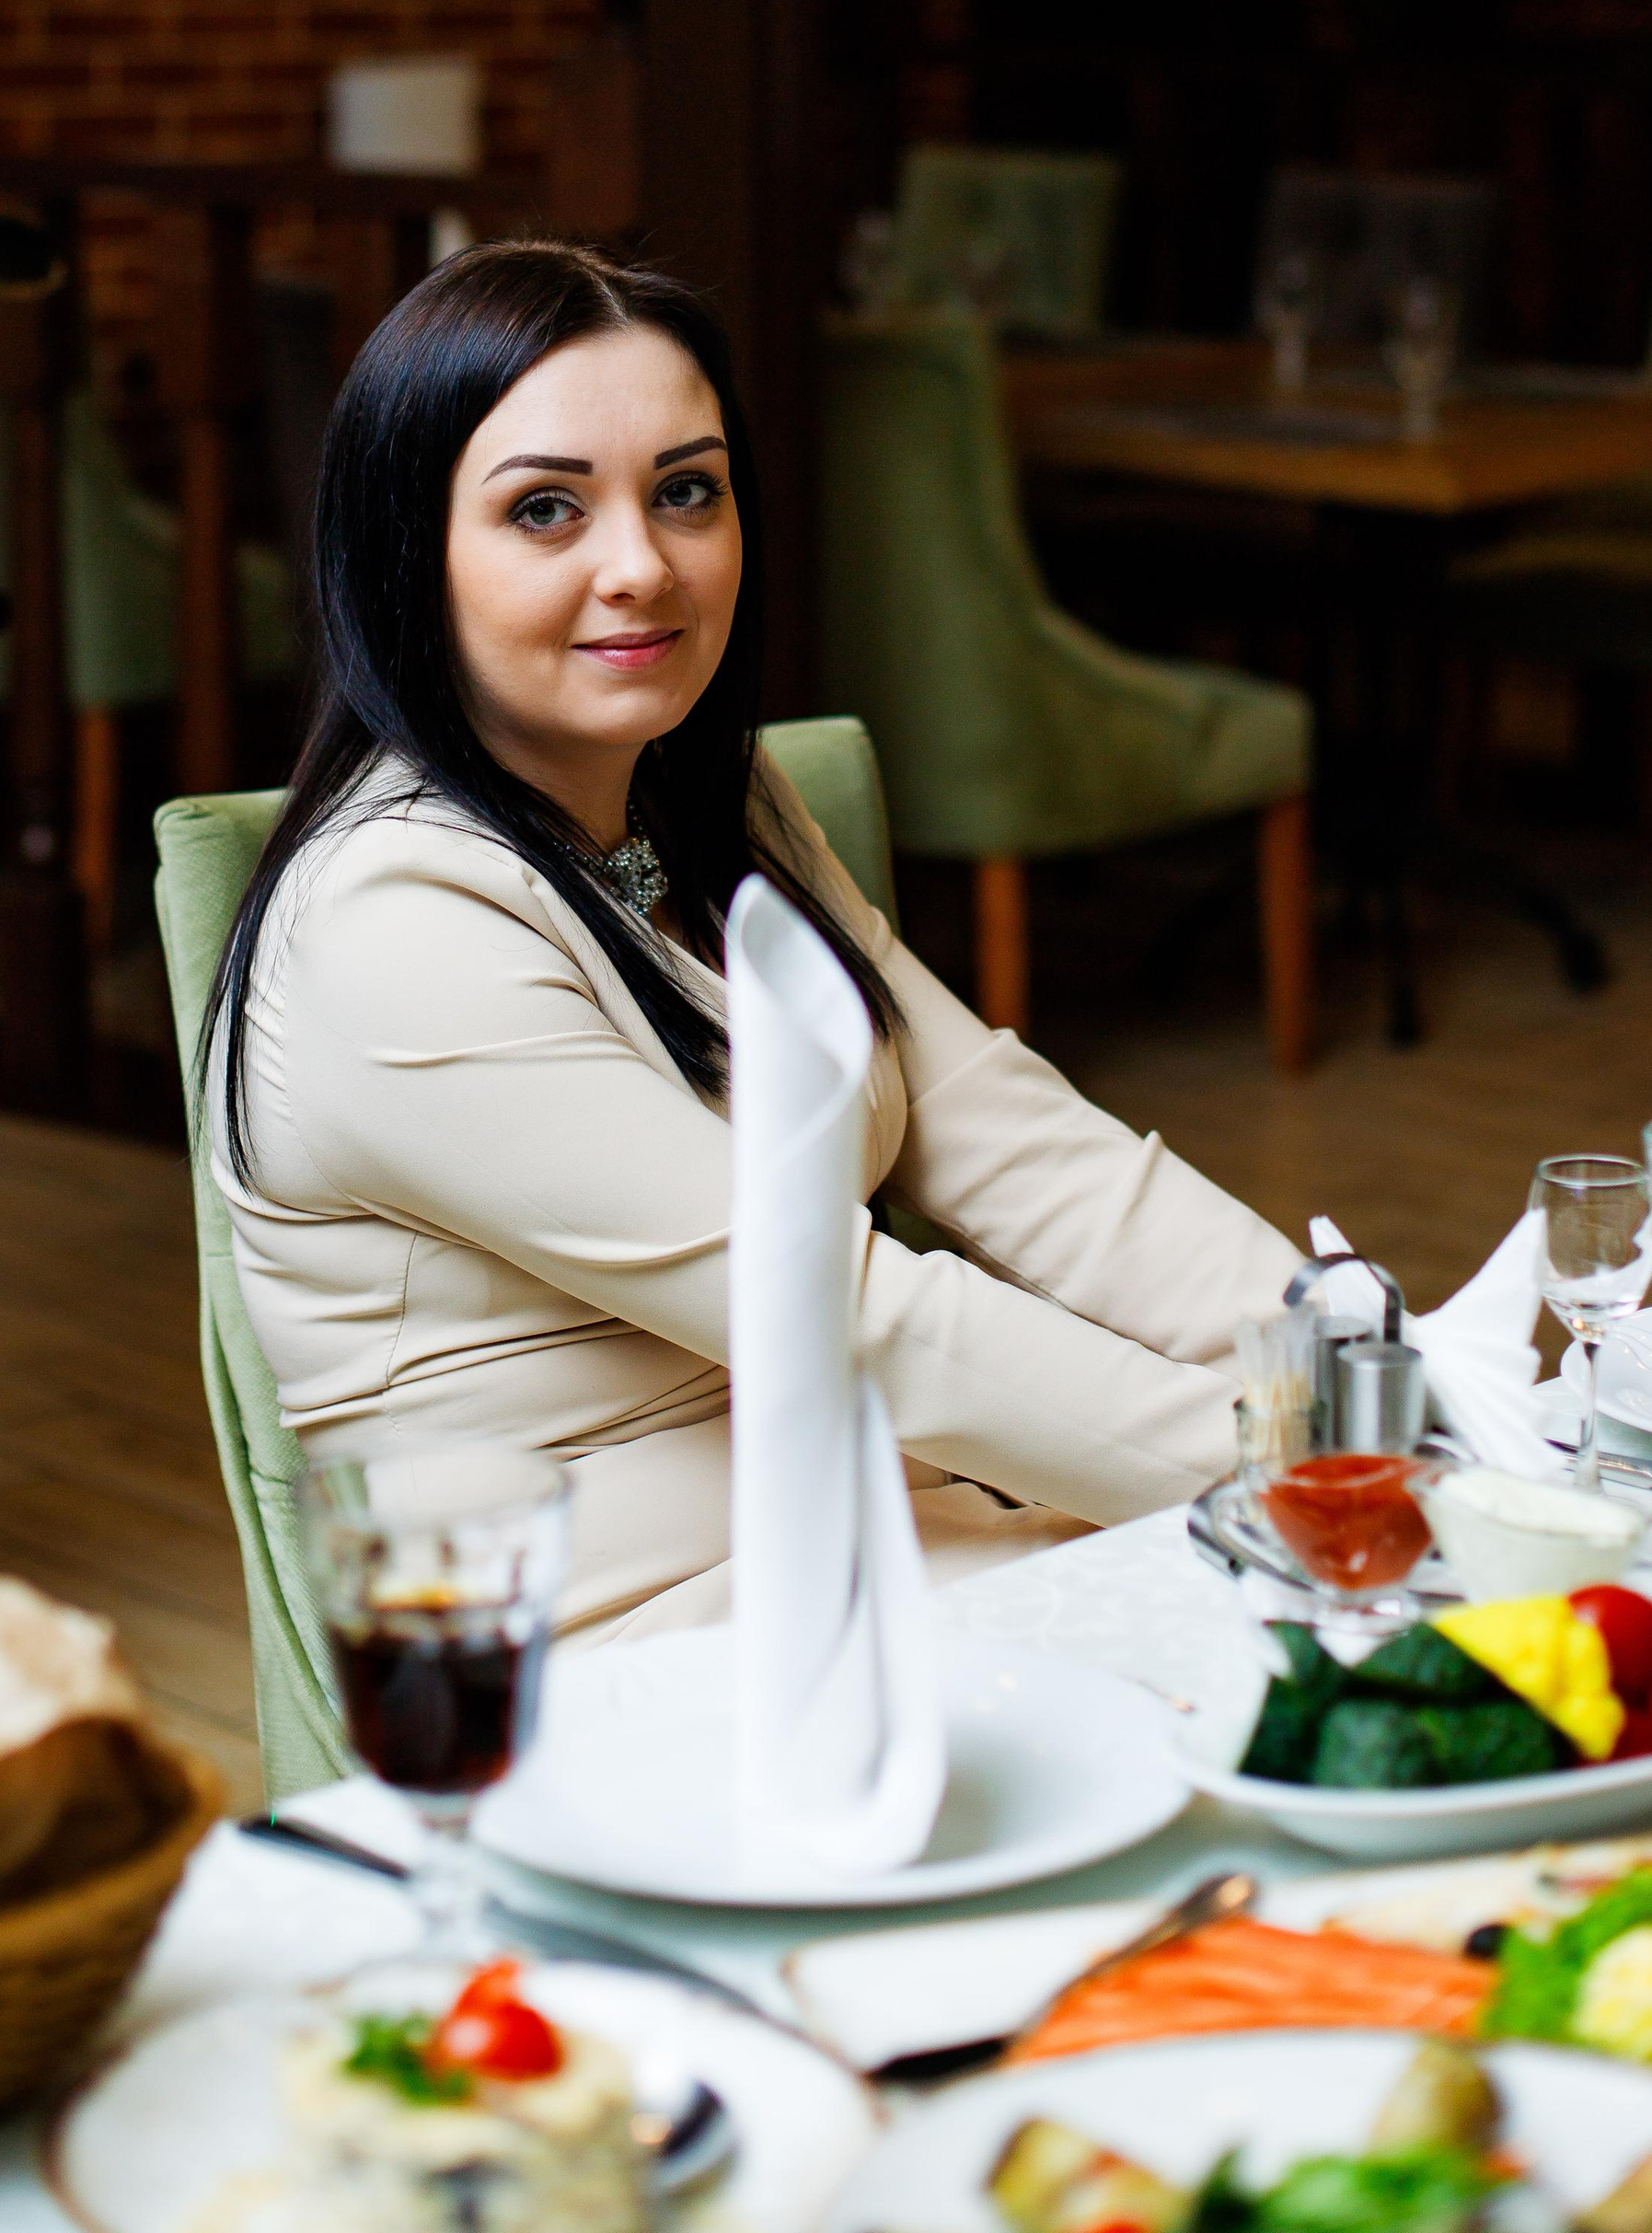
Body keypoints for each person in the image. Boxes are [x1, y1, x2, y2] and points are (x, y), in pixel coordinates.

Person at [211, 239, 1300, 1638]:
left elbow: (1009, 1137)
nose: (642, 568)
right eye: (545, 511)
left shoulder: (705, 798)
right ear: (404, 554)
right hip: (641, 1658)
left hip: (896, 1544)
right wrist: (1301, 1466)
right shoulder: (391, 926)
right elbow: (840, 1309)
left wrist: (1348, 1352)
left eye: (686, 492)